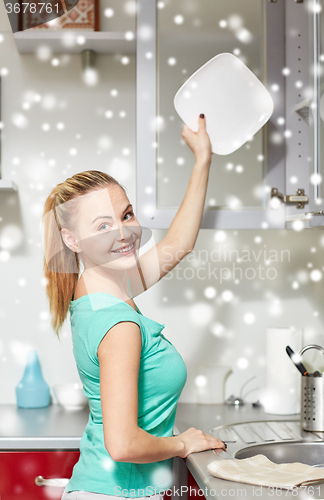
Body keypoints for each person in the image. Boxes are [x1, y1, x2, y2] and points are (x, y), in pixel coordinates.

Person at [42, 114, 226, 500]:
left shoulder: (99, 288)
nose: (125, 233)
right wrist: (183, 443)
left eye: (127, 215)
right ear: (71, 240)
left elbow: (179, 244)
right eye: (103, 225)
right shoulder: (118, 323)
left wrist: (202, 159)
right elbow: (123, 444)